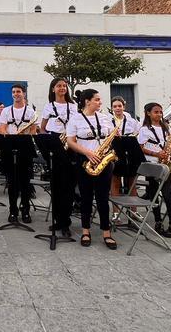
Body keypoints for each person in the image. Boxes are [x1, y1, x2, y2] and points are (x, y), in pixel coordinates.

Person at [67, 89, 117, 249]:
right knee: (86, 197)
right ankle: (85, 231)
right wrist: (88, 153)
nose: (100, 102)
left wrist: (105, 152)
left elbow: (111, 137)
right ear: (87, 101)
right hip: (85, 160)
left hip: (103, 160)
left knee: (103, 197)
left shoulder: (104, 118)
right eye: (97, 99)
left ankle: (106, 232)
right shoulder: (75, 119)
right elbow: (71, 141)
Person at [40, 78, 78, 236]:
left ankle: (65, 221)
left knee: (68, 186)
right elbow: (42, 128)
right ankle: (57, 220)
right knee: (56, 185)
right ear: (53, 89)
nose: (62, 88)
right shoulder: (48, 106)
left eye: (64, 86)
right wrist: (49, 141)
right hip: (55, 144)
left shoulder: (74, 106)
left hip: (70, 145)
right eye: (59, 86)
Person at [0, 83, 38, 223]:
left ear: (24, 93)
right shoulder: (6, 111)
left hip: (25, 148)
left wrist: (26, 134)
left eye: (18, 91)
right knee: (11, 181)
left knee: (25, 181)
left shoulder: (30, 111)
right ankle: (13, 210)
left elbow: (33, 130)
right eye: (13, 92)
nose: (16, 94)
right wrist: (9, 136)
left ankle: (25, 210)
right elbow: (2, 128)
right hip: (10, 148)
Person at [137, 102, 171, 238]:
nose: (159, 114)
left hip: (165, 166)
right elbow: (140, 148)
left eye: (160, 112)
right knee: (154, 195)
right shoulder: (144, 129)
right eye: (156, 112)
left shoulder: (166, 128)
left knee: (167, 195)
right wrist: (156, 154)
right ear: (148, 113)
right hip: (152, 165)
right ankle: (158, 221)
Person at [108, 96, 141, 221]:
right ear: (112, 108)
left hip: (130, 153)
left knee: (132, 183)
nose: (117, 108)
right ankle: (116, 213)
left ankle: (134, 211)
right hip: (115, 153)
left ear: (124, 107)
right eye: (115, 106)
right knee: (115, 182)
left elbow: (138, 134)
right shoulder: (108, 121)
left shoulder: (131, 121)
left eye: (119, 106)